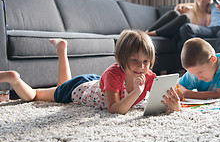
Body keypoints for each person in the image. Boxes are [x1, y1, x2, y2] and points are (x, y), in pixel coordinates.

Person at [0, 30, 181, 114]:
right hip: (80, 88)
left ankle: (62, 50)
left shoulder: (149, 76)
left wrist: (175, 105)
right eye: (135, 61)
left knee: (62, 85)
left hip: (96, 83)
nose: (141, 67)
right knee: (36, 95)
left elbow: (161, 102)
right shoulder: (114, 74)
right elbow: (114, 109)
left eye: (146, 62)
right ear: (120, 59)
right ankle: (14, 79)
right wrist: (136, 93)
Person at [145, 0, 212, 37]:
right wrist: (180, 5)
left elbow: (205, 31)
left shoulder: (207, 15)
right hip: (170, 30)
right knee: (174, 13)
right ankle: (148, 31)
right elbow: (175, 13)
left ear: (209, 0)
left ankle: (154, 33)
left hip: (181, 34)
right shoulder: (188, 8)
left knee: (185, 17)